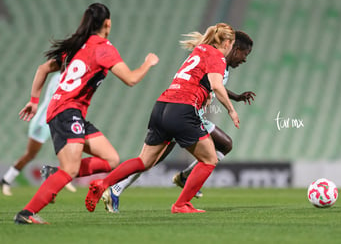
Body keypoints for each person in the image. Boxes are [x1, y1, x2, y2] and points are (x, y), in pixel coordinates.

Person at [14, 2, 159, 224]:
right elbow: (131, 79)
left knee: (111, 159)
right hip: (66, 110)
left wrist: (35, 101)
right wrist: (148, 63)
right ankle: (26, 213)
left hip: (70, 110)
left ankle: (53, 174)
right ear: (108, 23)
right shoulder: (103, 48)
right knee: (70, 169)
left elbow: (43, 69)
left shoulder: (78, 45)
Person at [85, 22, 239, 214]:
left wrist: (205, 93)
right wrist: (231, 110)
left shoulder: (200, 50)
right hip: (183, 109)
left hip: (162, 105)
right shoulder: (217, 56)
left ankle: (103, 183)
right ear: (226, 43)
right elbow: (216, 84)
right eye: (232, 46)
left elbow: (198, 78)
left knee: (144, 161)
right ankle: (181, 204)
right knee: (209, 159)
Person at [1, 73, 76, 196]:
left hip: (56, 119)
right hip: (43, 121)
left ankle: (65, 177)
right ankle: (6, 180)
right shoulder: (60, 76)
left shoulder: (68, 75)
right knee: (30, 154)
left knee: (68, 145)